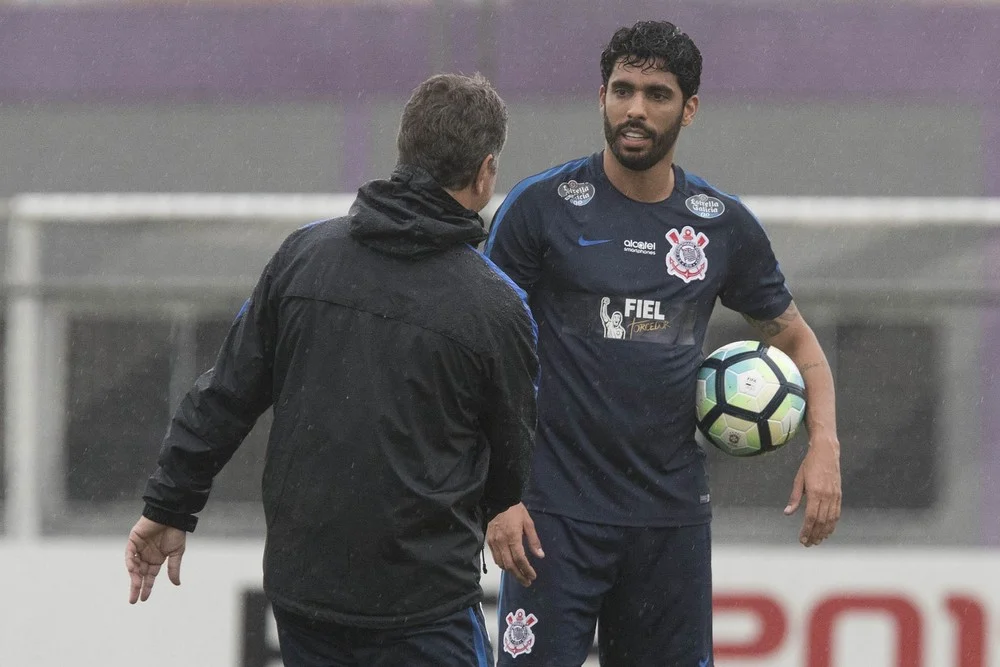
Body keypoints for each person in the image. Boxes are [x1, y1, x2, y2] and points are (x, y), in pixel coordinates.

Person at [125, 72, 540, 667]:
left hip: (306, 598)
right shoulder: (497, 305)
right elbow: (514, 450)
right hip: (423, 608)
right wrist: (505, 498)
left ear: (404, 156)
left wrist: (169, 504)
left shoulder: (303, 258)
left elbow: (224, 395)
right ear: (485, 174)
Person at [484, 21, 842, 667]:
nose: (636, 110)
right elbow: (479, 348)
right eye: (623, 90)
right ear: (602, 96)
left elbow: (796, 339)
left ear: (690, 108)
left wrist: (825, 446)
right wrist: (497, 492)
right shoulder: (541, 207)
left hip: (668, 517)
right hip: (552, 516)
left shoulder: (721, 223)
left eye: (657, 94)